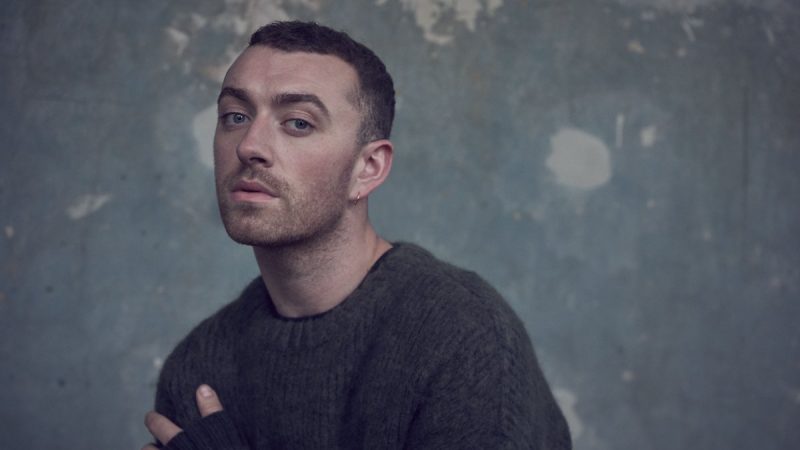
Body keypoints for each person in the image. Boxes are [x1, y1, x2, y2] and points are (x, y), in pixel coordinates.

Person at [143, 20, 571, 450]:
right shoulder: (197, 368)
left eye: (298, 123)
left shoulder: (462, 335)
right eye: (235, 116)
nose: (249, 145)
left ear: (368, 168)